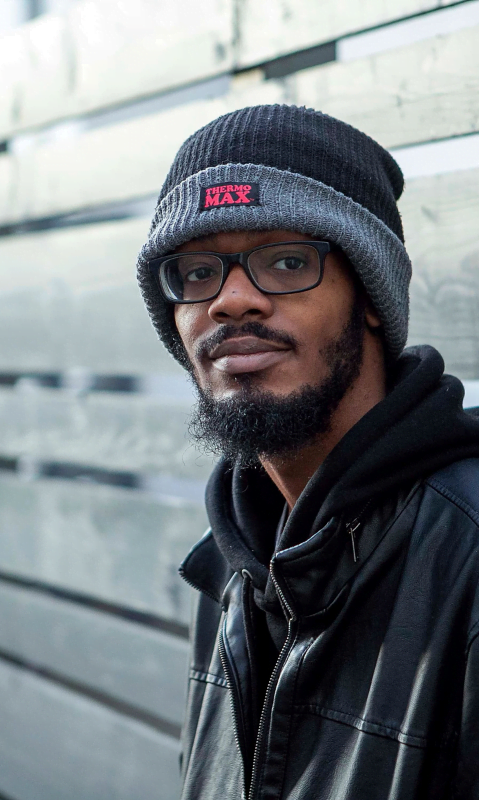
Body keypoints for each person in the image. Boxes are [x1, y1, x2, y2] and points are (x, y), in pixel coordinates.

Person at [137, 104, 479, 800]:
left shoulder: (465, 558)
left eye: (287, 261)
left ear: (372, 297)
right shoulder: (235, 564)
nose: (231, 301)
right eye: (197, 273)